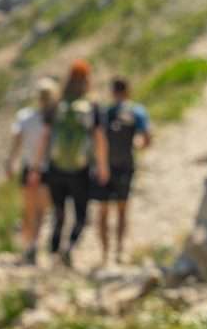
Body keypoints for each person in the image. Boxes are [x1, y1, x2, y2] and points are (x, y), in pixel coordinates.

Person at [31, 60, 108, 267]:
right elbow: (99, 137)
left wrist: (37, 167)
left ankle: (54, 251)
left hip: (56, 167)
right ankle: (70, 247)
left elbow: (45, 137)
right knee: (81, 214)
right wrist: (102, 166)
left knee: (59, 212)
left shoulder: (57, 104)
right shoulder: (92, 105)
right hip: (80, 168)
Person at [95, 77, 151, 264]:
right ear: (128, 91)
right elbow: (147, 139)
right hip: (126, 165)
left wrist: (101, 165)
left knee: (103, 211)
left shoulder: (105, 112)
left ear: (113, 92)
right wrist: (136, 147)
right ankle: (119, 251)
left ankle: (104, 253)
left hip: (105, 167)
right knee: (122, 210)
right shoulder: (137, 111)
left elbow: (98, 138)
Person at [6, 77, 59, 264]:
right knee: (41, 211)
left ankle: (28, 246)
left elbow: (16, 141)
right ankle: (34, 244)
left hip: (29, 168)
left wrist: (10, 162)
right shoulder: (53, 119)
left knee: (28, 211)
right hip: (47, 170)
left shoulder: (25, 117)